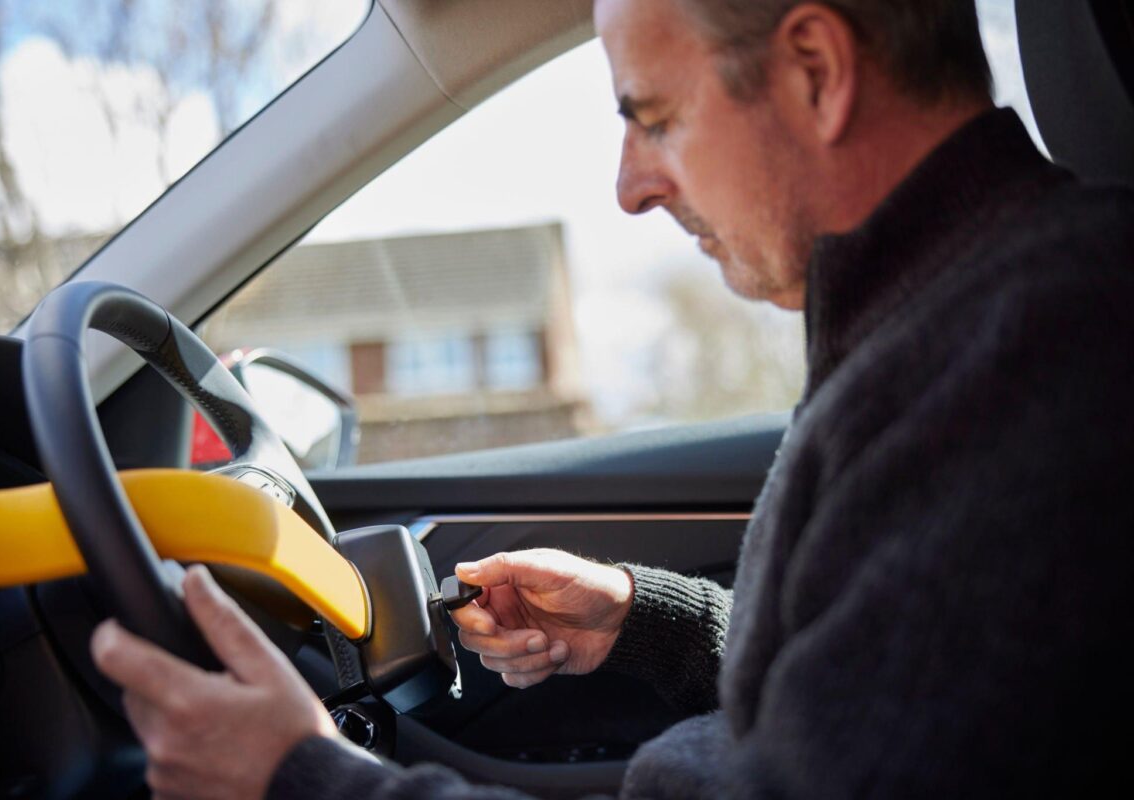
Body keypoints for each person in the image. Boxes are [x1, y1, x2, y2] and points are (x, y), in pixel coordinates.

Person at [91, 0, 1134, 797]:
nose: (630, 186)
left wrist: (304, 776)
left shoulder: (1039, 360)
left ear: (816, 71)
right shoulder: (956, 326)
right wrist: (647, 621)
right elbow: (885, 690)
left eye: (657, 117)